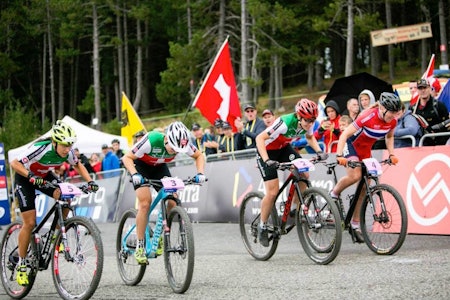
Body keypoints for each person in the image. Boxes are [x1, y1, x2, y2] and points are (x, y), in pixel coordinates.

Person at [10, 120, 99, 286]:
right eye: (64, 145)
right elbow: (14, 163)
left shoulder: (69, 152)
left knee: (65, 194)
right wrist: (30, 177)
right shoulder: (41, 148)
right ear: (55, 142)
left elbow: (78, 165)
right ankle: (22, 264)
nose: (67, 149)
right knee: (29, 223)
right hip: (25, 177)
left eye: (70, 145)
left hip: (44, 177)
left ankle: (58, 235)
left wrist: (90, 182)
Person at [121, 121, 206, 264]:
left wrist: (200, 173)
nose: (176, 151)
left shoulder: (181, 143)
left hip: (159, 168)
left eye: (179, 150)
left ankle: (159, 233)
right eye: (174, 149)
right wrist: (135, 174)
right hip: (140, 167)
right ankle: (140, 246)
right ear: (167, 139)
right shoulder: (152, 139)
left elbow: (199, 155)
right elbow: (126, 157)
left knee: (172, 200)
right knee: (145, 203)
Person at [255, 98, 328, 247]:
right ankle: (261, 225)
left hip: (283, 148)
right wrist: (267, 160)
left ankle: (295, 208)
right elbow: (259, 138)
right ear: (299, 116)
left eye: (312, 120)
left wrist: (319, 151)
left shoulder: (308, 122)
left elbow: (309, 137)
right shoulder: (284, 123)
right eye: (307, 120)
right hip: (266, 152)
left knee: (304, 173)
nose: (309, 123)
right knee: (273, 192)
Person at [330, 92, 402, 243]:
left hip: (365, 150)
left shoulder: (392, 121)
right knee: (355, 175)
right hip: (351, 145)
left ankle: (355, 226)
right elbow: (344, 136)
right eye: (391, 113)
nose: (393, 116)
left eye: (396, 113)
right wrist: (339, 156)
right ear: (382, 108)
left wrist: (391, 154)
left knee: (365, 187)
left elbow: (389, 137)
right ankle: (334, 193)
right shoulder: (367, 116)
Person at [410, 78, 449, 146]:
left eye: (425, 88)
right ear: (417, 90)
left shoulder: (438, 105)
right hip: (420, 145)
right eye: (420, 88)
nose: (423, 91)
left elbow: (447, 123)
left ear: (430, 88)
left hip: (439, 144)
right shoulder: (413, 108)